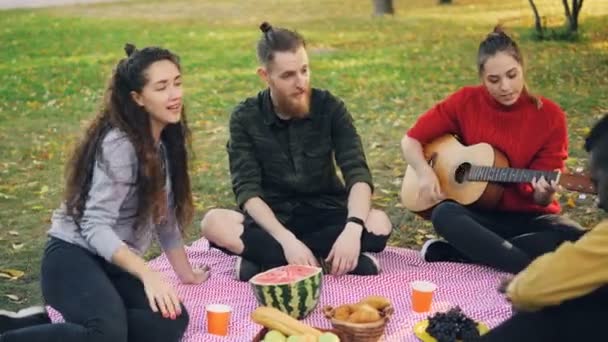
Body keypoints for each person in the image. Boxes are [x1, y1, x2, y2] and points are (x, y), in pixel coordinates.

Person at [0, 44, 209, 342]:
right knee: (105, 336)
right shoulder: (120, 145)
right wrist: (149, 274)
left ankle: (46, 322)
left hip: (111, 262)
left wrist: (186, 274)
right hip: (73, 254)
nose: (175, 94)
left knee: (170, 320)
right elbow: (94, 226)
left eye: (177, 82)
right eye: (161, 87)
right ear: (137, 98)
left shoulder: (163, 145)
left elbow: (165, 218)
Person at [200, 22, 392, 281]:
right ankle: (327, 261)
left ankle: (267, 263)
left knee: (379, 223)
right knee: (213, 223)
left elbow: (357, 173)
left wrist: (352, 229)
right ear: (265, 76)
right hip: (273, 220)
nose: (301, 82)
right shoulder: (245, 117)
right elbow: (248, 191)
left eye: (304, 70)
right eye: (288, 75)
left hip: (325, 213)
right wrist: (286, 239)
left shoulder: (330, 107)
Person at [400, 26, 585, 274]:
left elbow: (541, 198)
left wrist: (544, 193)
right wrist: (424, 172)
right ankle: (529, 273)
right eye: (494, 80)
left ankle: (463, 254)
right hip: (479, 220)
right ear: (482, 77)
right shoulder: (465, 102)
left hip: (529, 220)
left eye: (512, 75)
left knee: (576, 238)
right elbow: (411, 140)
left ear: (522, 68)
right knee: (444, 213)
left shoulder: (550, 116)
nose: (506, 87)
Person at [476, 113, 608, 341]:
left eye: (597, 182)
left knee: (550, 312)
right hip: (499, 223)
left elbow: (528, 293)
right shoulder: (468, 106)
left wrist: (524, 284)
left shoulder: (549, 116)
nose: (598, 201)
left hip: (535, 225)